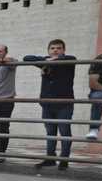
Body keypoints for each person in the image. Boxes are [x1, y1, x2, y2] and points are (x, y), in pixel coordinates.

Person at [25, 40, 78, 170]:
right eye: (52, 48)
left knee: (65, 131)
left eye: (58, 48)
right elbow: (27, 58)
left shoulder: (68, 61)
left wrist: (47, 63)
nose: (55, 50)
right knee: (50, 131)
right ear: (48, 50)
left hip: (64, 103)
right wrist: (46, 62)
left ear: (63, 50)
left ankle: (64, 159)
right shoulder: (45, 61)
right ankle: (50, 158)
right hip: (47, 103)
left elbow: (71, 58)